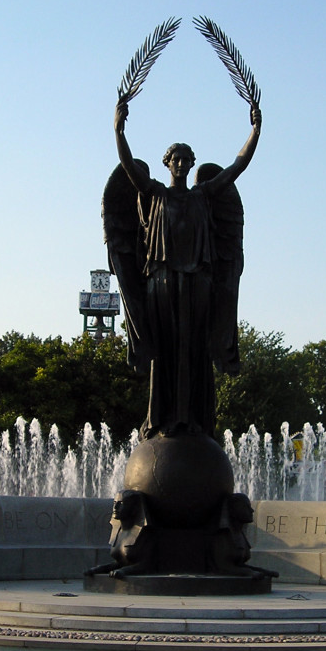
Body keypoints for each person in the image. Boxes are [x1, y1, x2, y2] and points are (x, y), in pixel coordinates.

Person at [111, 101, 261, 440]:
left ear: (192, 163)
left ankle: (196, 421)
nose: (180, 164)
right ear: (168, 163)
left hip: (197, 283)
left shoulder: (203, 195)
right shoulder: (154, 193)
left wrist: (254, 132)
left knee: (195, 349)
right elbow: (128, 166)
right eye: (175, 159)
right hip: (161, 282)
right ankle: (161, 420)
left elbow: (237, 167)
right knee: (164, 351)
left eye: (185, 159)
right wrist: (119, 130)